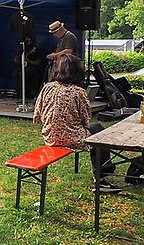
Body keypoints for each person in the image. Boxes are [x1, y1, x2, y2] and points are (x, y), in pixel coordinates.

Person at [33, 56, 120, 193]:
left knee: (96, 129)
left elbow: (37, 114)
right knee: (99, 135)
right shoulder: (78, 92)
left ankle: (102, 175)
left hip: (50, 136)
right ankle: (101, 178)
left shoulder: (47, 88)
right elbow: (86, 119)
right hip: (72, 138)